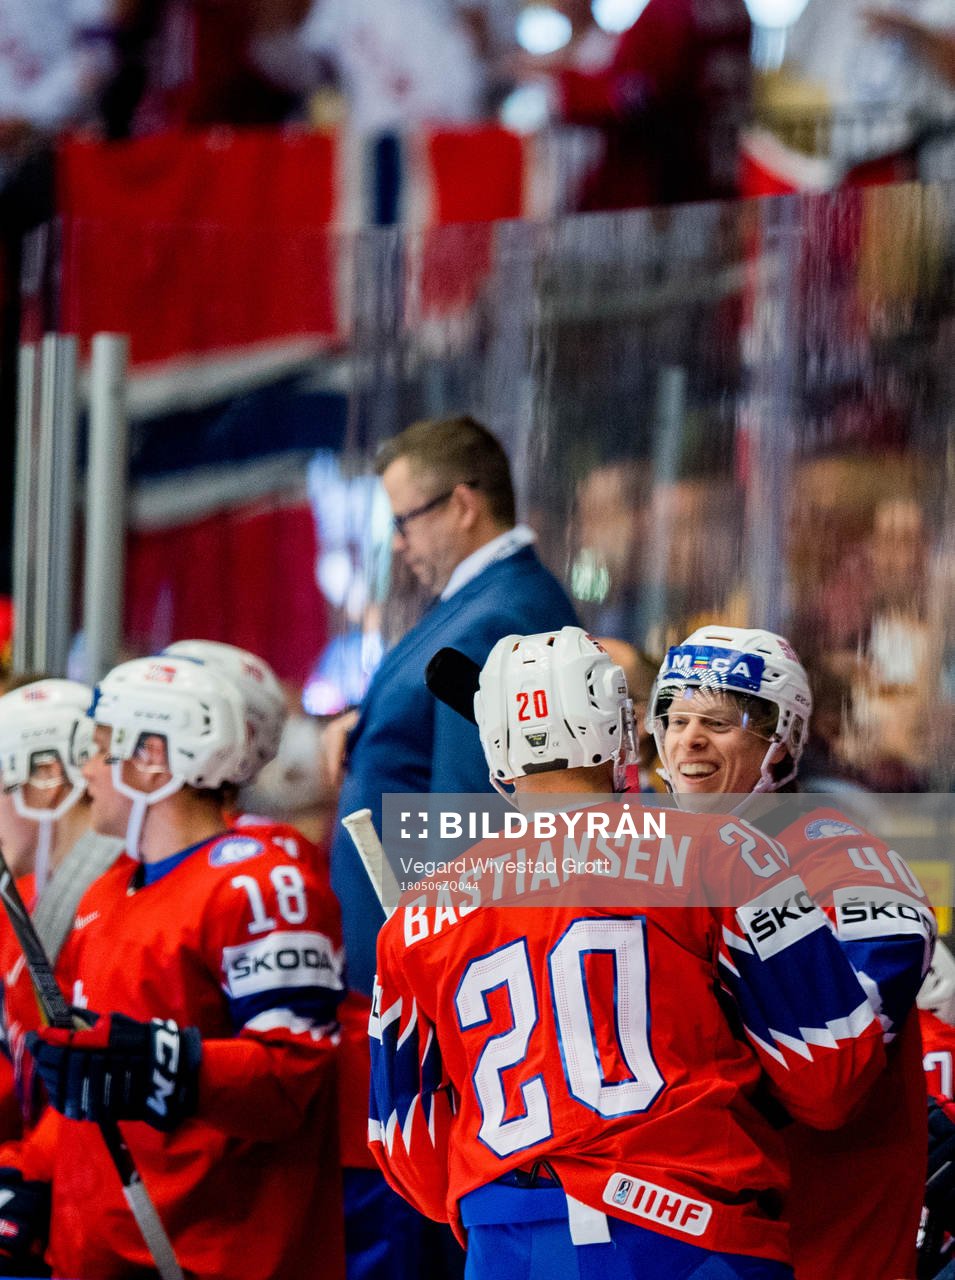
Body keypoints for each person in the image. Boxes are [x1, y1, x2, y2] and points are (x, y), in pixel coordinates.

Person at [369, 625, 888, 1279]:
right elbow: (831, 1070)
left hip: (509, 1247)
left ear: (494, 747)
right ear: (619, 725)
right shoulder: (719, 850)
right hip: (688, 1237)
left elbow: (406, 1150)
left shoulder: (416, 920)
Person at [0, 655, 346, 1279]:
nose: (87, 773)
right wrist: (29, 1172)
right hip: (99, 1254)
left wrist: (172, 1062)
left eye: (101, 751)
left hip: (213, 1255)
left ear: (153, 760)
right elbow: (85, 1095)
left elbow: (293, 1075)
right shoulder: (107, 894)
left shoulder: (263, 881)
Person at [647, 623, 935, 1280]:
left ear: (780, 744)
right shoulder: (659, 858)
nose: (687, 739)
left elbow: (834, 1076)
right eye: (676, 717)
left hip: (830, 1248)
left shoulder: (852, 864)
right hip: (705, 1247)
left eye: (717, 723)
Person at [327, 414, 578, 999]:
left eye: (403, 521)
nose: (397, 542)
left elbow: (476, 825)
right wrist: (365, 730)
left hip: (432, 992)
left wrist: (447, 986)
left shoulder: (500, 618)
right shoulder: (479, 604)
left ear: (464, 505)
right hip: (406, 978)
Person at [0, 679, 124, 1142]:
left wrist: (28, 1170)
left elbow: (93, 1094)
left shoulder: (110, 907)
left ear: (46, 780)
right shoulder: (30, 895)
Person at [521, 0, 752, 211]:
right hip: (718, 183)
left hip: (669, 193)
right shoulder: (735, 7)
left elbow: (634, 97)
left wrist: (561, 88)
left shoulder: (670, 8)